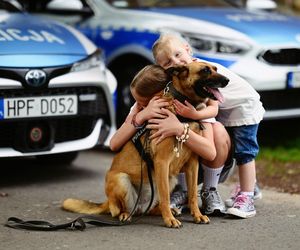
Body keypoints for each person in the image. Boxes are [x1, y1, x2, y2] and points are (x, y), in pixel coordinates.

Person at [150, 33, 265, 218]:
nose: (175, 62)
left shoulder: (202, 70)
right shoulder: (181, 75)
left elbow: (213, 108)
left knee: (245, 153)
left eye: (178, 55)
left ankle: (247, 195)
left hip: (244, 109)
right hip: (227, 114)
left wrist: (194, 115)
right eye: (167, 62)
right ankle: (249, 185)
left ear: (188, 50)